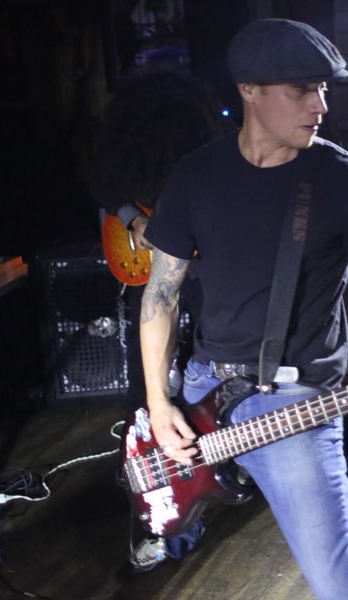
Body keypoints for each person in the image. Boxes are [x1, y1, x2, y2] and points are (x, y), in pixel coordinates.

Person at [140, 19, 348, 599]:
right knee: (169, 532)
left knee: (340, 583)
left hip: (292, 399)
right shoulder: (197, 174)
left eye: (322, 89)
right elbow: (160, 293)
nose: (320, 105)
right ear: (248, 89)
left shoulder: (344, 180)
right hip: (203, 388)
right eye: (301, 90)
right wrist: (158, 401)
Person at [88, 69, 226, 570]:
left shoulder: (210, 155)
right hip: (151, 276)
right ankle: (153, 502)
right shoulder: (121, 150)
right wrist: (135, 219)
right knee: (149, 384)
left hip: (205, 271)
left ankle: (197, 492)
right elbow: (102, 182)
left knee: (204, 375)